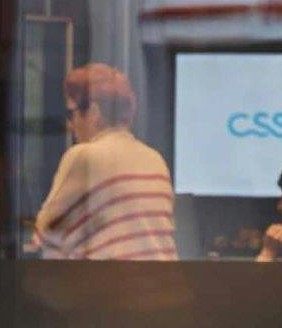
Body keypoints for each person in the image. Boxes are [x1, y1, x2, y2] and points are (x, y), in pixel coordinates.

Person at [32, 64, 178, 261]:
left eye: (72, 112)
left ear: (94, 112)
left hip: (113, 279)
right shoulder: (154, 159)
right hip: (163, 280)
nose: (71, 124)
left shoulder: (85, 156)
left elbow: (46, 233)